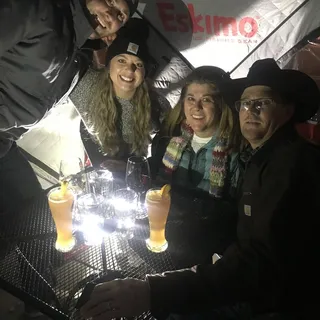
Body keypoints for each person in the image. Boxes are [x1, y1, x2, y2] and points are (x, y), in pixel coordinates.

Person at [80, 59, 320, 320]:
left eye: (263, 103)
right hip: (219, 265)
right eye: (246, 103)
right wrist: (129, 169)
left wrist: (154, 291)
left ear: (288, 110)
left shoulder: (285, 164)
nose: (251, 111)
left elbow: (256, 261)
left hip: (275, 301)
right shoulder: (175, 139)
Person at [0, 0, 139, 213]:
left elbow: (106, 113)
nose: (111, 14)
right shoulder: (39, 10)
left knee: (36, 217)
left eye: (121, 15)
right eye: (109, 1)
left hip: (6, 142)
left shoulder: (79, 57)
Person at [72, 18, 171, 170]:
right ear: (109, 63)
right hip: (96, 169)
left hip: (134, 173)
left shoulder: (158, 105)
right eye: (121, 61)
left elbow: (167, 150)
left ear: (145, 72)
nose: (130, 70)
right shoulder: (85, 84)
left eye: (138, 64)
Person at [151, 66, 243, 200]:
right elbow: (155, 181)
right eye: (191, 99)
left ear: (220, 106)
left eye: (206, 100)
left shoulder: (234, 151)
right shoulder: (169, 137)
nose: (196, 107)